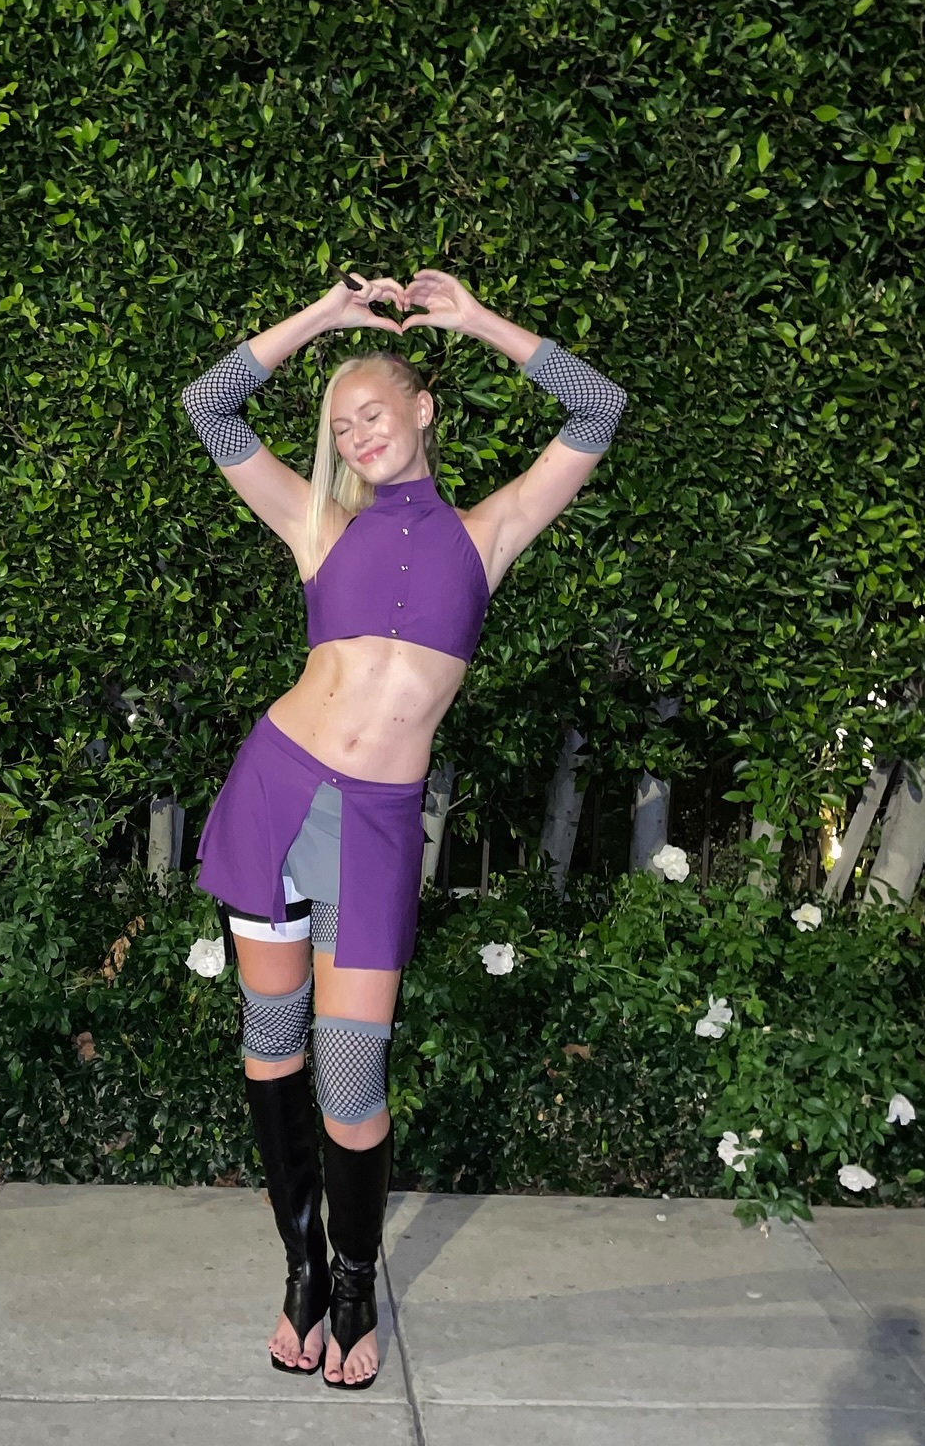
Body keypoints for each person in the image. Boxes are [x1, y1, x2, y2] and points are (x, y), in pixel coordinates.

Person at [178, 266, 627, 1391]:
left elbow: (599, 406)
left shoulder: (487, 534)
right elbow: (208, 404)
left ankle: (353, 1284)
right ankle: (300, 1272)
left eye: (373, 411)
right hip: (274, 795)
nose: (357, 434)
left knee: (351, 1073)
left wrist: (476, 322)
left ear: (424, 408)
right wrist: (323, 318)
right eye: (340, 426)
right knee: (271, 1041)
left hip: (373, 828)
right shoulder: (318, 526)